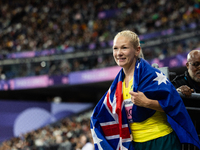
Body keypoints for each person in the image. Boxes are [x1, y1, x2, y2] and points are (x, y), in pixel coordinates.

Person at [90, 30, 200, 150]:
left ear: (137, 50)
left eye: (124, 48)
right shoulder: (118, 84)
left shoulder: (151, 75)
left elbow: (173, 103)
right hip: (137, 144)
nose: (119, 53)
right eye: (115, 48)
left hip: (162, 141)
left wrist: (147, 102)